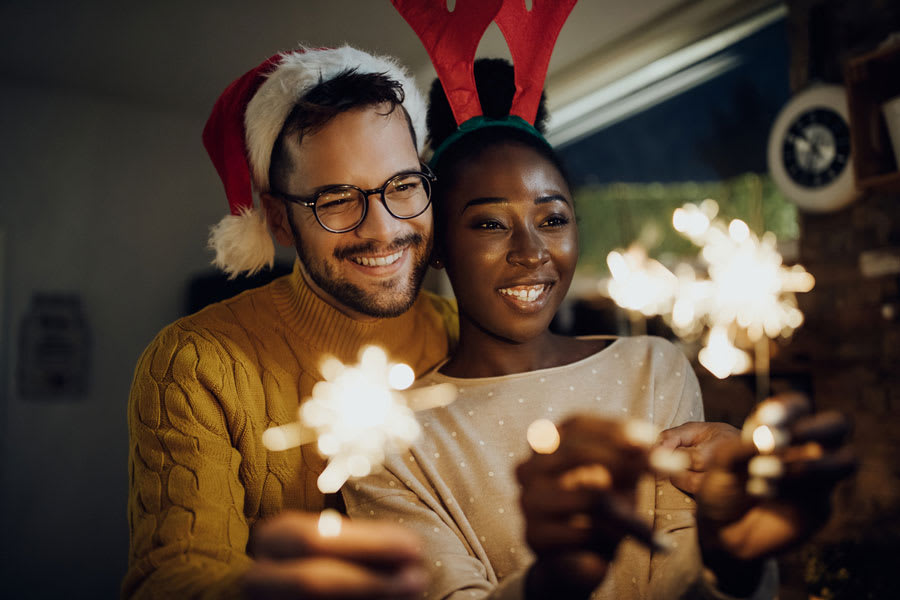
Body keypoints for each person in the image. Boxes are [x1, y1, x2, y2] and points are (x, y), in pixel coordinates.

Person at [343, 58, 855, 600]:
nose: (532, 252)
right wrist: (559, 578)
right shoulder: (388, 439)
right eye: (490, 223)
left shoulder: (653, 369)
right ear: (438, 246)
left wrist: (726, 553)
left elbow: (687, 573)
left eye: (553, 219)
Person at [124, 45, 457, 599]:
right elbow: (169, 580)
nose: (382, 229)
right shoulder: (192, 366)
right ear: (279, 220)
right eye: (337, 198)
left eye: (402, 185)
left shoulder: (468, 338)